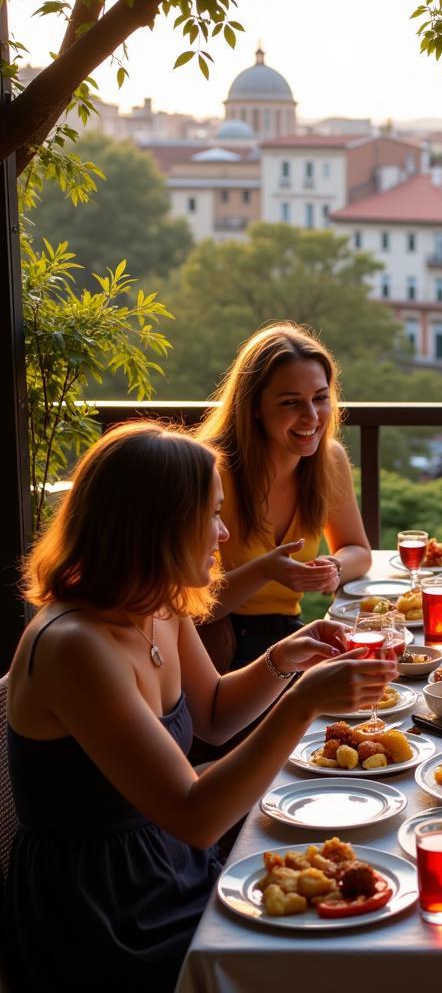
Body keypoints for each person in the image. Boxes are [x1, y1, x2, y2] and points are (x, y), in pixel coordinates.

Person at [1, 422, 394, 993]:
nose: (224, 531)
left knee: (353, 912)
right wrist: (301, 705)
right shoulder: (74, 645)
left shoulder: (156, 603)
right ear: (154, 525)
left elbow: (211, 712)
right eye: (210, 515)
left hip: (167, 868)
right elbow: (195, 817)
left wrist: (282, 662)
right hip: (105, 914)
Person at [197, 323, 372, 669]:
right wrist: (265, 571)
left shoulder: (329, 460)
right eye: (291, 402)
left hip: (286, 638)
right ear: (255, 406)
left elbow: (359, 552)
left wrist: (334, 567)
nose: (311, 417)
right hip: (216, 648)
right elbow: (187, 605)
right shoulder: (208, 469)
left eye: (320, 398)